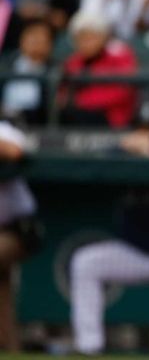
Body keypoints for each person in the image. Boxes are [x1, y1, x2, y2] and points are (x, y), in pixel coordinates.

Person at [69, 107, 149, 358]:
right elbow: (93, 161)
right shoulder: (124, 151)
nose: (147, 135)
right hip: (132, 251)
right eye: (144, 129)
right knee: (85, 263)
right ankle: (89, 346)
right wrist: (126, 149)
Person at [0, 120, 42, 352]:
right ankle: (9, 346)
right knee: (2, 289)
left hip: (19, 229)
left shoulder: (4, 129)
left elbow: (14, 151)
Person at [57, 10, 138, 128]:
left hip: (111, 118)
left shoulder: (120, 55)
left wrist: (81, 101)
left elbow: (123, 91)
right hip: (78, 115)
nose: (86, 42)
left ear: (103, 36)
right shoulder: (73, 61)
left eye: (91, 36)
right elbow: (62, 93)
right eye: (81, 37)